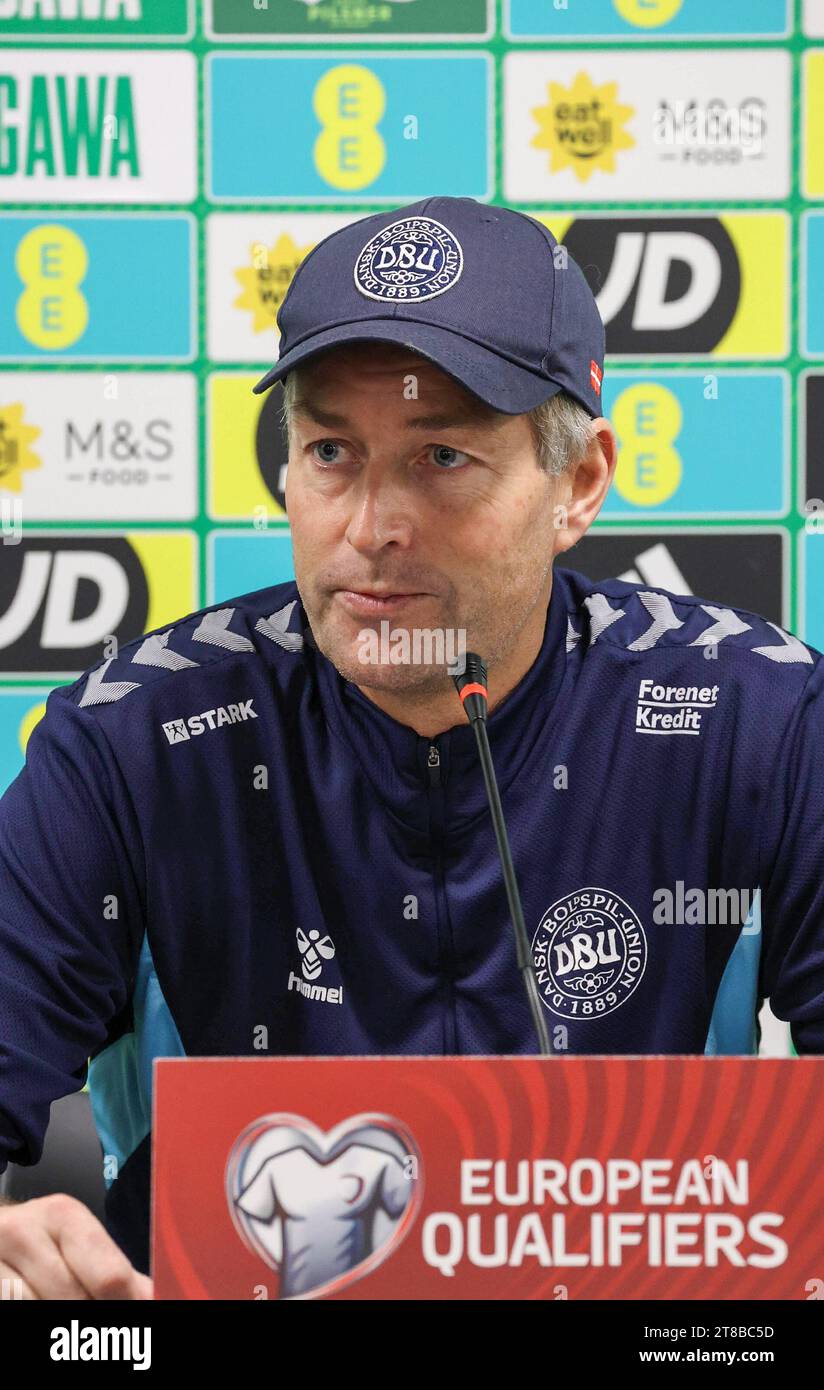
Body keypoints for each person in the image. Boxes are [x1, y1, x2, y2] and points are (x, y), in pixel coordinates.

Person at [0, 196, 822, 1299]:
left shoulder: (755, 716)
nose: (372, 524)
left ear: (576, 483)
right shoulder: (132, 737)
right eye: (330, 450)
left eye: (439, 454)